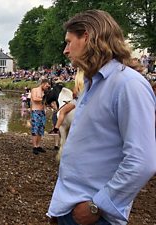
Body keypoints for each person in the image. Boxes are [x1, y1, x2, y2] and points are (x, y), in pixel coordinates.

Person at [47, 10, 156, 225]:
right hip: (70, 207)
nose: (65, 50)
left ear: (87, 37)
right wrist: (58, 209)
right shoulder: (91, 84)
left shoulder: (128, 84)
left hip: (94, 215)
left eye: (69, 42)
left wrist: (98, 206)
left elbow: (142, 161)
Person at [49, 69, 84, 135]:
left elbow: (74, 93)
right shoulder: (88, 80)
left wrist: (72, 98)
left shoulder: (78, 82)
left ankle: (56, 128)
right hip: (87, 100)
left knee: (62, 111)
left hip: (78, 100)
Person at [30, 79, 50, 154]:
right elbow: (35, 99)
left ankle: (38, 145)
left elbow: (47, 103)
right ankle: (34, 146)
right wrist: (44, 99)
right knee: (35, 129)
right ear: (42, 84)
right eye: (46, 86)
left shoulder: (45, 92)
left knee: (41, 130)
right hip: (35, 111)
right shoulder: (34, 90)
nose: (47, 87)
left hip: (42, 112)